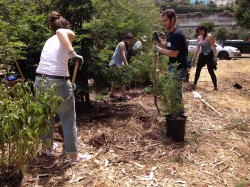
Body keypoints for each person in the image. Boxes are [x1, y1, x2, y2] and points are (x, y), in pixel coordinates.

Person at [35, 11, 91, 163]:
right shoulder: (65, 32)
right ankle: (73, 156)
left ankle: (47, 149)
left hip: (40, 80)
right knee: (67, 119)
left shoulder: (48, 41)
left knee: (46, 117)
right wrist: (73, 54)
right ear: (66, 26)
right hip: (58, 80)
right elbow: (61, 32)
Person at [152, 9, 189, 115]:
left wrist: (158, 50)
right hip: (173, 66)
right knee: (172, 91)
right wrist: (158, 41)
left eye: (165, 21)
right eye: (162, 21)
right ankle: (175, 111)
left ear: (172, 19)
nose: (163, 23)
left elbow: (174, 53)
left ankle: (179, 114)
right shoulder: (170, 33)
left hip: (179, 68)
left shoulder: (178, 34)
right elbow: (167, 46)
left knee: (175, 92)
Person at [192, 26, 218, 91]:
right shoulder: (199, 37)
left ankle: (215, 87)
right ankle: (194, 84)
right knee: (198, 69)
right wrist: (194, 57)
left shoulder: (209, 36)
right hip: (202, 54)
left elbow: (213, 47)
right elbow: (198, 48)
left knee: (210, 70)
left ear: (203, 30)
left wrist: (215, 57)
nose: (199, 33)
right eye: (198, 32)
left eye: (200, 31)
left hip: (209, 54)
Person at [109, 33, 134, 100]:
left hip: (118, 64)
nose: (131, 42)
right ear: (126, 39)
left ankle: (111, 94)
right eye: (130, 40)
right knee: (121, 79)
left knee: (115, 79)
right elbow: (123, 56)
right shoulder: (122, 44)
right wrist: (127, 65)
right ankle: (125, 95)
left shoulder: (125, 46)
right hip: (115, 63)